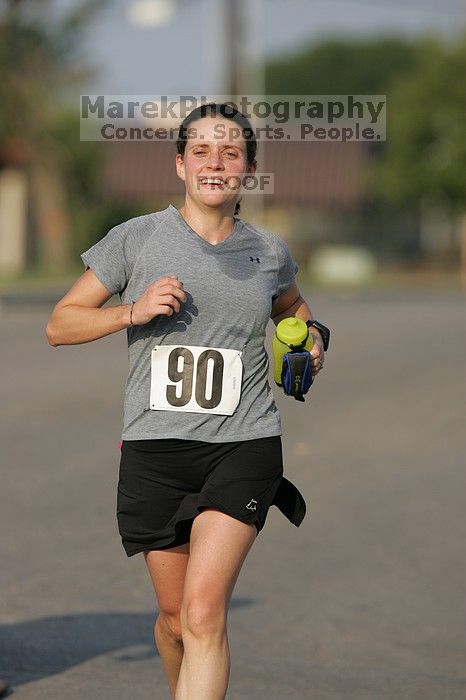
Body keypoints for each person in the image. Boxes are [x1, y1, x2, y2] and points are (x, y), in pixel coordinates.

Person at [45, 102, 329, 700]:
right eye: (201, 150)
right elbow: (60, 323)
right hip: (156, 448)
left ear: (248, 168)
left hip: (244, 444)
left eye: (230, 152)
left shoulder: (268, 252)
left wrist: (314, 338)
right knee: (175, 622)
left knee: (204, 615)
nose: (215, 163)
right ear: (180, 164)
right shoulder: (136, 238)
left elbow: (293, 310)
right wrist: (131, 311)